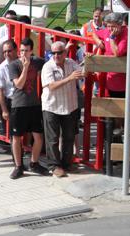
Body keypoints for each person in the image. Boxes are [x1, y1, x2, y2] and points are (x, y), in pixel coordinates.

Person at [41, 41, 86, 178]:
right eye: (53, 53)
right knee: (53, 138)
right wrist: (70, 78)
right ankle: (54, 166)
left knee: (69, 136)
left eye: (59, 52)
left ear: (65, 53)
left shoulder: (71, 62)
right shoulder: (47, 66)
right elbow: (51, 86)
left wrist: (89, 61)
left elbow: (83, 73)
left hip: (69, 106)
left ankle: (67, 164)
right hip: (52, 106)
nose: (55, 55)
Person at [7, 37, 48, 179]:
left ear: (31, 51)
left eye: (26, 51)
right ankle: (18, 166)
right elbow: (18, 84)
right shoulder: (14, 65)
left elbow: (51, 62)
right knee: (16, 137)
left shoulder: (37, 62)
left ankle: (34, 163)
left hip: (34, 105)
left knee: (38, 136)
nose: (23, 54)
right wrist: (25, 67)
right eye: (21, 51)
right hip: (19, 105)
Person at [93, 12, 128, 137]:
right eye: (108, 26)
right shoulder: (106, 31)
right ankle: (113, 139)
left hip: (122, 81)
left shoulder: (125, 33)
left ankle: (121, 135)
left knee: (121, 110)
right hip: (108, 80)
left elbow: (117, 53)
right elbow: (94, 33)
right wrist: (98, 42)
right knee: (110, 112)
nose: (109, 29)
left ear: (120, 25)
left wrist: (112, 39)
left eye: (112, 26)